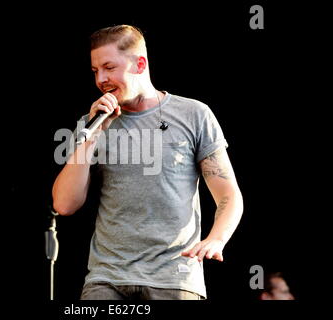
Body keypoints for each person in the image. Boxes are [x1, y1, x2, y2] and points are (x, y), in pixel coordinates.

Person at [52, 25, 243, 300]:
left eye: (109, 67)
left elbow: (228, 194)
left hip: (174, 278)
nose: (101, 79)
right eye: (96, 71)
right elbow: (64, 204)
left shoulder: (193, 114)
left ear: (139, 64)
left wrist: (217, 239)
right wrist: (92, 137)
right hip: (107, 279)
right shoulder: (92, 124)